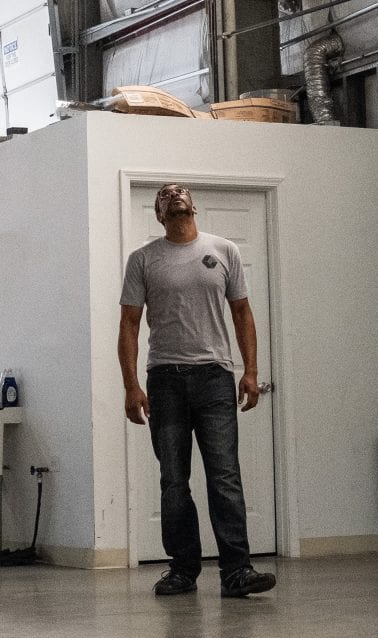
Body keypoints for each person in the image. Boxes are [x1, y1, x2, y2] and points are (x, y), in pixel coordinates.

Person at [119, 183, 277, 599]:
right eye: (165, 195)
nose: (174, 196)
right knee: (174, 480)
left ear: (194, 206)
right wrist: (131, 385)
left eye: (180, 193)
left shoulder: (224, 251)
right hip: (165, 380)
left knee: (224, 476)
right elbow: (129, 326)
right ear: (158, 214)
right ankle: (183, 570)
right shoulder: (143, 260)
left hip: (214, 378)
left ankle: (236, 571)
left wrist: (251, 371)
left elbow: (242, 312)